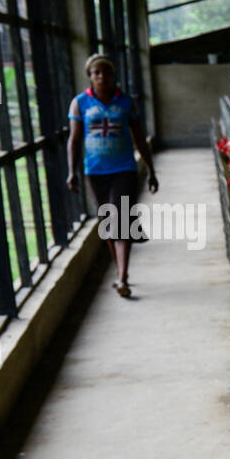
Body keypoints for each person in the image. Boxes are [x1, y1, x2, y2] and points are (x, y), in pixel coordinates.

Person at [66, 53, 158, 298]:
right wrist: (71, 171)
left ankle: (122, 277)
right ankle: (119, 268)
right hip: (95, 171)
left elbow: (139, 138)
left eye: (106, 73)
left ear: (113, 75)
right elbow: (74, 140)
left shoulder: (127, 102)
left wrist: (150, 170)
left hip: (124, 169)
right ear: (90, 76)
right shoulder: (79, 103)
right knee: (108, 224)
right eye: (97, 73)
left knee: (121, 221)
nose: (102, 77)